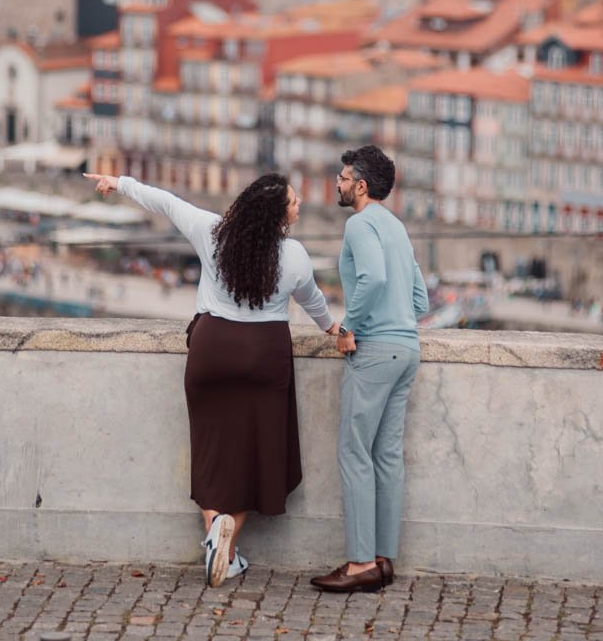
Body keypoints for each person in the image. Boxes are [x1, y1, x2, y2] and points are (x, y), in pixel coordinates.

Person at [83, 171, 338, 587]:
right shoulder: (294, 255)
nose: (299, 205)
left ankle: (218, 533)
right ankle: (227, 544)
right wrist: (333, 331)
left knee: (210, 449)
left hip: (213, 350)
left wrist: (119, 183)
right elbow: (313, 302)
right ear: (277, 217)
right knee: (253, 452)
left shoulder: (212, 233)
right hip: (264, 357)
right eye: (293, 201)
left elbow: (165, 200)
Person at [310, 145, 429, 594]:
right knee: (387, 456)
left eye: (342, 178)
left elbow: (373, 278)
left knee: (354, 453)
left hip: (375, 351)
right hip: (407, 349)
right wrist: (395, 320)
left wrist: (349, 326)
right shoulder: (397, 227)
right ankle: (383, 560)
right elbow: (420, 300)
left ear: (360, 186)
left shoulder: (360, 224)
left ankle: (360, 564)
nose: (337, 184)